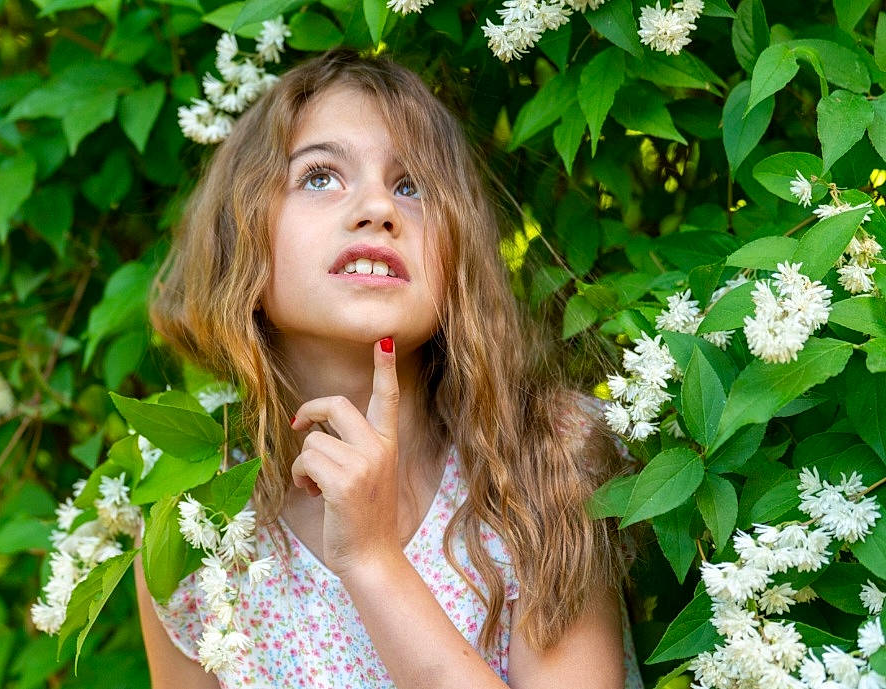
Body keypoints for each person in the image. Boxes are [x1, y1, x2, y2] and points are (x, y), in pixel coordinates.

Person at [134, 47, 645, 689]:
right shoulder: (194, 521)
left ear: (457, 254)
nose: (379, 208)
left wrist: (373, 562)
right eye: (319, 176)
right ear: (241, 241)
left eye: (413, 185)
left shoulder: (545, 459)